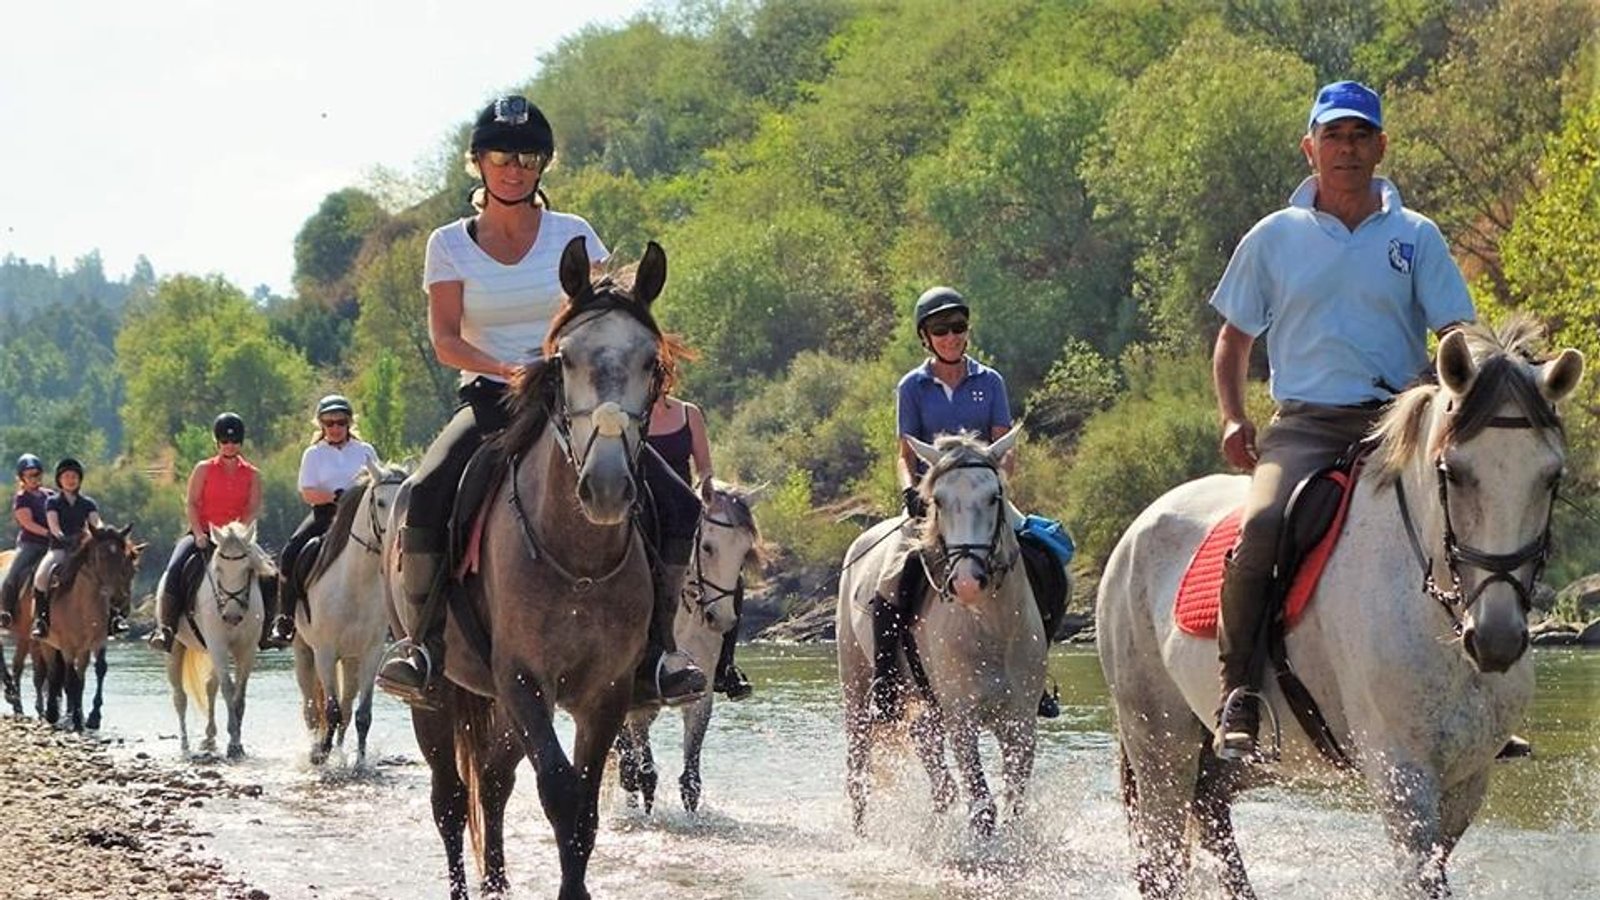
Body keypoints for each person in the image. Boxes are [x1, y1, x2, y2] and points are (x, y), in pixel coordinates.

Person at [376, 95, 706, 708]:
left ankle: (658, 654)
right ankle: (420, 648)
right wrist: (506, 366)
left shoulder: (574, 235)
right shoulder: (447, 244)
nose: (514, 166)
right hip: (494, 399)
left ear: (543, 165)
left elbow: (610, 313)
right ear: (477, 162)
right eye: (500, 155)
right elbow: (446, 340)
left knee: (679, 503)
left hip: (575, 400)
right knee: (424, 492)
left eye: (528, 156)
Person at [1208, 81, 1476, 760]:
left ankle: (1477, 685)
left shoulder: (1417, 236)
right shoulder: (1274, 237)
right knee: (1263, 525)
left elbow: (1455, 332)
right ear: (1310, 147)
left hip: (1400, 423)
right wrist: (1235, 418)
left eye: (1360, 136)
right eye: (1334, 136)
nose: (1347, 149)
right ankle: (1237, 691)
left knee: (1467, 512)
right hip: (1304, 424)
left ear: (1382, 146)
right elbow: (1233, 343)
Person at [871, 286, 1061, 723]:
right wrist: (910, 492)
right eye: (941, 329)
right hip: (932, 502)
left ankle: (1036, 671)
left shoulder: (989, 381)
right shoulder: (912, 387)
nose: (951, 336)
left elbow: (1003, 448)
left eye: (957, 327)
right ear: (926, 336)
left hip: (983, 498)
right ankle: (885, 680)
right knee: (889, 579)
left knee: (1048, 558)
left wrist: (994, 484)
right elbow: (904, 454)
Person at [644, 353, 753, 701]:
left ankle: (724, 667)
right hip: (647, 511)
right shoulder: (634, 415)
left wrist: (707, 484)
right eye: (651, 374)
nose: (658, 380)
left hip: (686, 508)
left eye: (662, 374)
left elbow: (704, 466)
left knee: (731, 576)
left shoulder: (689, 413)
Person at [149, 412, 266, 652]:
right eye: (224, 441)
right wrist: (199, 533)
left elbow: (253, 508)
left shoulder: (252, 474)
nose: (229, 445)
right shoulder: (203, 469)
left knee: (270, 574)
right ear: (217, 443)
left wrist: (239, 535)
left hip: (237, 540)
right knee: (175, 567)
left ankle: (271, 628)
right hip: (202, 533)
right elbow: (191, 503)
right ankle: (166, 629)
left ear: (241, 442)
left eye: (234, 441)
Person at [268, 394, 380, 645]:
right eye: (329, 423)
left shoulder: (365, 451)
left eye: (340, 422)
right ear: (321, 425)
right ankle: (285, 618)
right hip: (325, 515)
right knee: (290, 553)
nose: (335, 428)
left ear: (349, 423)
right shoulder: (313, 454)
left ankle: (401, 618)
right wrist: (335, 496)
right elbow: (307, 491)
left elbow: (378, 484)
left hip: (360, 517)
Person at [28, 458, 104, 638]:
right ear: (59, 480)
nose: (71, 480)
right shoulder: (53, 502)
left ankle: (114, 618)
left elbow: (96, 522)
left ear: (80, 479)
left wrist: (101, 533)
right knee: (41, 576)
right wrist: (63, 537)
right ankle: (42, 619)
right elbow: (53, 525)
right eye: (67, 476)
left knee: (106, 573)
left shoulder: (88, 503)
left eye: (74, 476)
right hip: (60, 549)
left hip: (83, 550)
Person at [0, 454, 51, 631]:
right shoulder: (22, 498)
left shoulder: (50, 495)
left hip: (53, 545)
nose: (34, 478)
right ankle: (7, 612)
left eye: (37, 474)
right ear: (22, 478)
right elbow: (27, 523)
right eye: (29, 475)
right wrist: (48, 532)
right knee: (12, 575)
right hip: (31, 544)